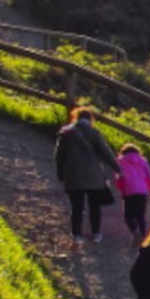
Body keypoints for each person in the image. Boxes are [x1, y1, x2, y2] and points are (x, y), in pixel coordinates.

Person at [54, 106, 121, 247]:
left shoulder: (65, 133)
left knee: (77, 207)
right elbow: (106, 152)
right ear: (90, 119)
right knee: (94, 206)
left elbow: (59, 156)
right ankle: (96, 233)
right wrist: (118, 169)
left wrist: (60, 174)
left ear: (76, 117)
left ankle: (77, 235)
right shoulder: (94, 133)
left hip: (73, 175)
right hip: (94, 176)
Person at [116, 143, 150, 247]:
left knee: (128, 216)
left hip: (129, 191)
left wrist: (121, 189)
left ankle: (135, 232)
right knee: (141, 215)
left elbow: (119, 179)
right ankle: (144, 238)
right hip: (142, 191)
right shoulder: (143, 161)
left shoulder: (120, 161)